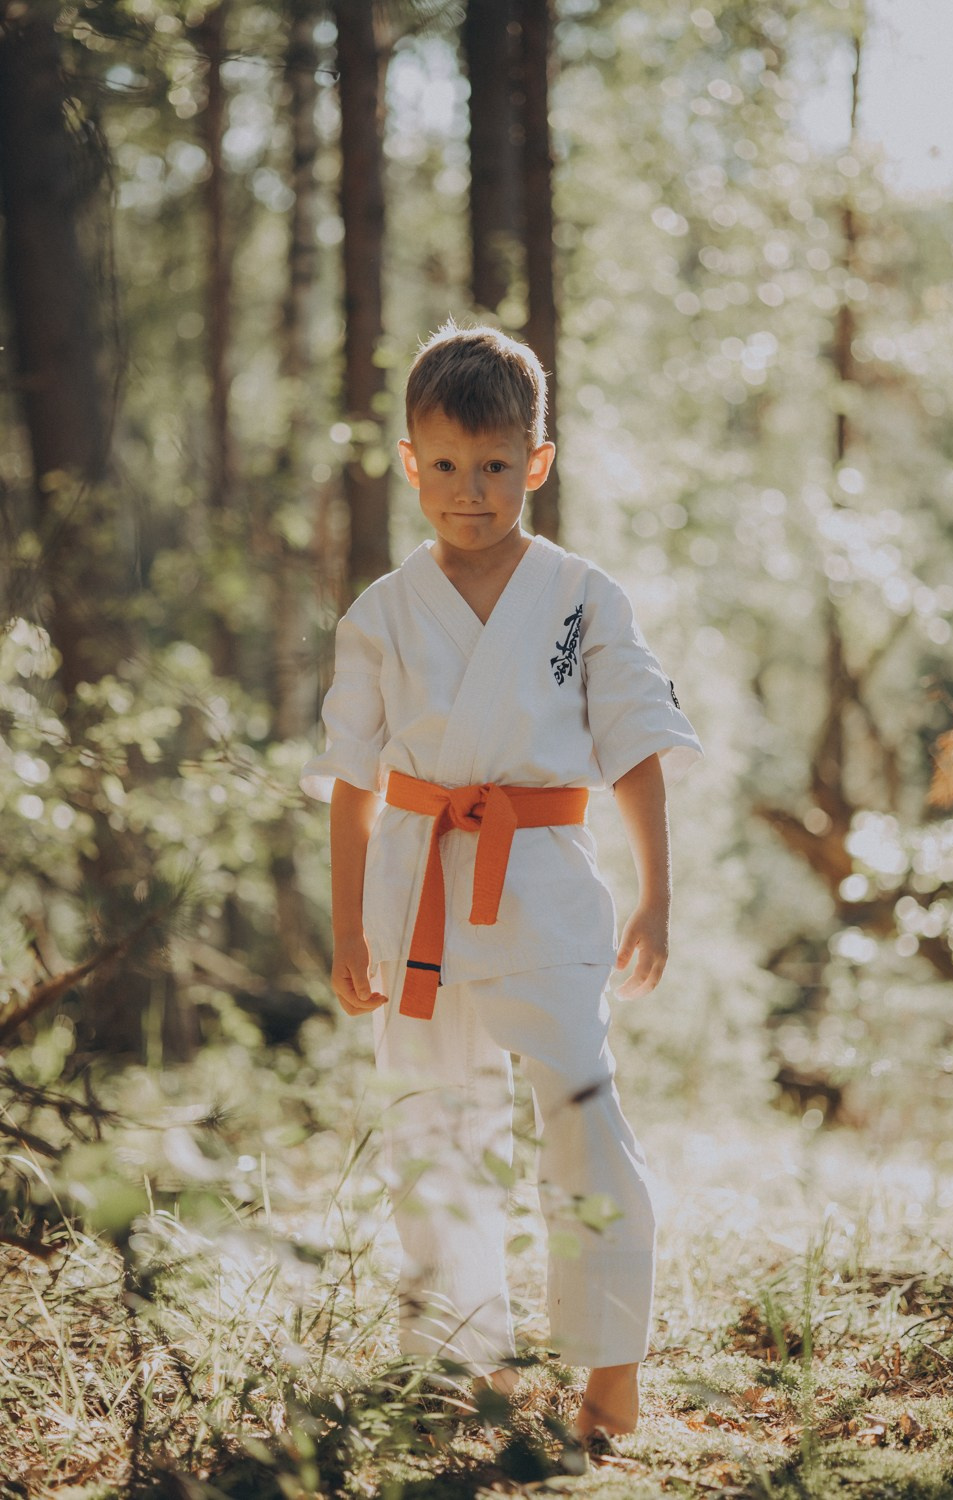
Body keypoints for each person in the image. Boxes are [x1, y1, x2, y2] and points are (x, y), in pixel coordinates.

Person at [301, 323, 702, 1440]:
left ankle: (609, 1362)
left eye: (491, 466)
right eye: (443, 465)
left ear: (536, 460)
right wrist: (346, 931)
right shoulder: (380, 614)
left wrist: (657, 895)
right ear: (408, 462)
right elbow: (349, 784)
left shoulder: (583, 596)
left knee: (583, 1112)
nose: (466, 491)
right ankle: (452, 1362)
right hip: (413, 894)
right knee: (432, 1127)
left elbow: (633, 747)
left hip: (542, 886)